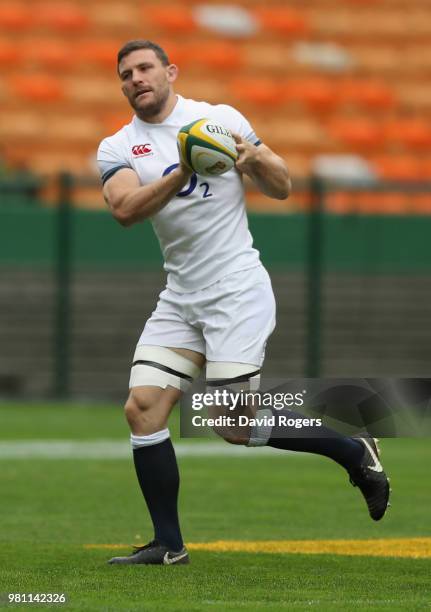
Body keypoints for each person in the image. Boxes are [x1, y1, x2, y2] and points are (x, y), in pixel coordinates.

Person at [97, 40, 390, 566]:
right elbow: (123, 209)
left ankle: (353, 450)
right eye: (125, 74)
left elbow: (282, 186)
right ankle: (169, 545)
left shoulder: (219, 118)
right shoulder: (118, 146)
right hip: (180, 296)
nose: (135, 78)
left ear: (170, 71)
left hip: (236, 289)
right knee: (142, 409)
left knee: (232, 423)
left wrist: (251, 156)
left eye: (145, 68)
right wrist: (183, 172)